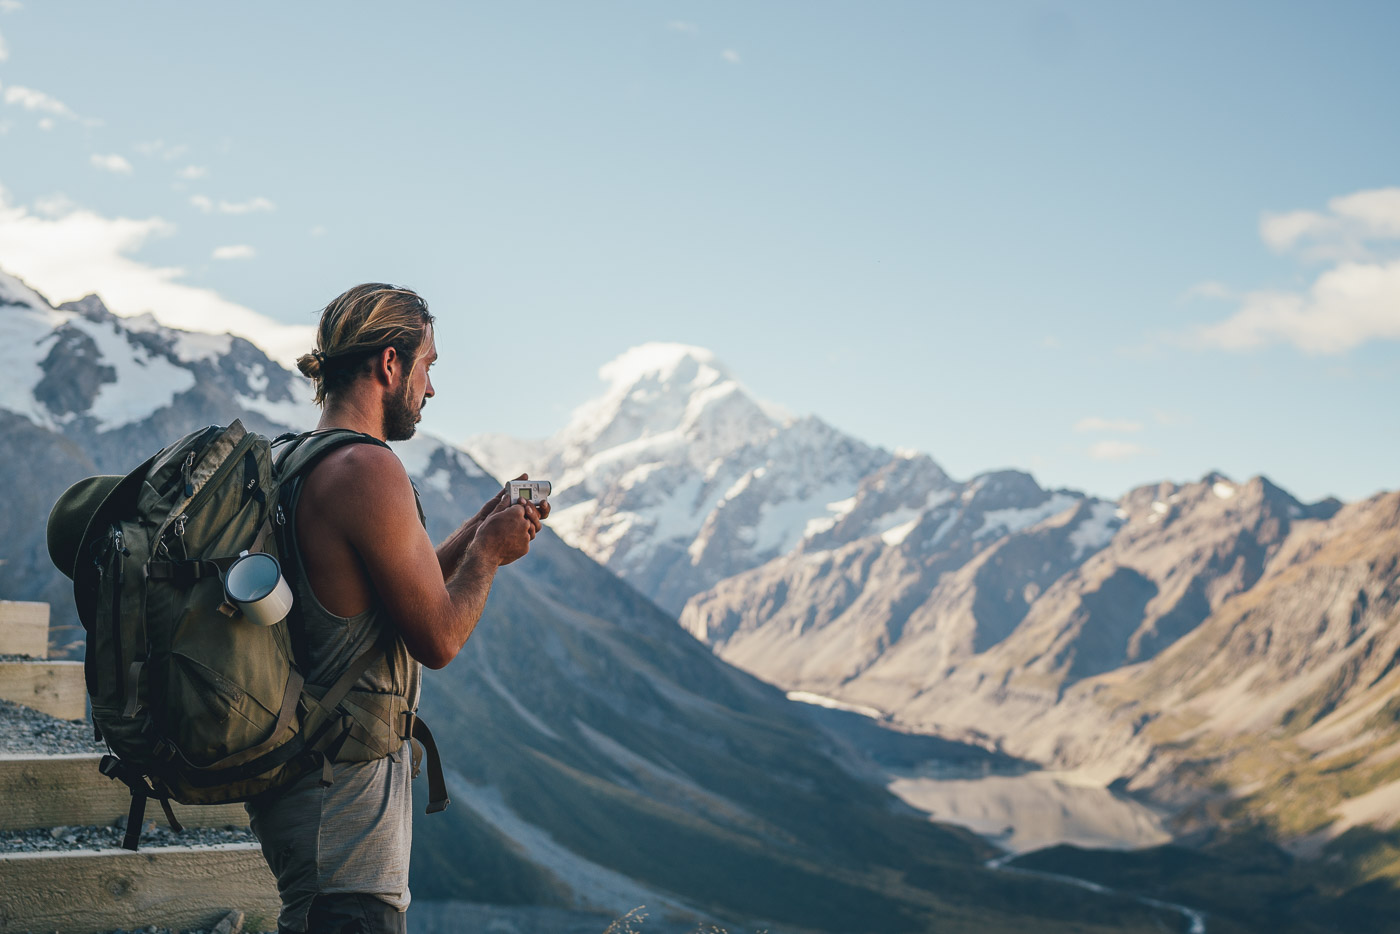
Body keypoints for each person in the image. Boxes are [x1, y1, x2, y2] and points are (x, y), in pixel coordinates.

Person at [246, 283, 546, 934]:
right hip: (344, 811)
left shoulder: (294, 459)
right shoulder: (369, 470)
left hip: (302, 786)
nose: (430, 389)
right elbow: (437, 638)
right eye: (428, 366)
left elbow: (383, 600)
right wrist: (490, 557)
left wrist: (480, 526)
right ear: (390, 364)